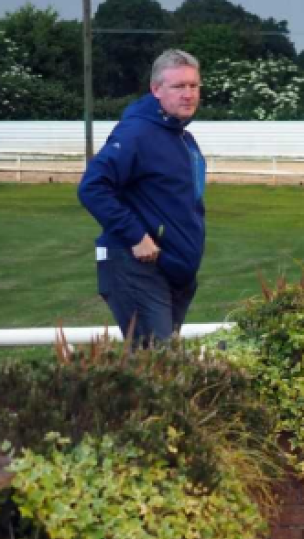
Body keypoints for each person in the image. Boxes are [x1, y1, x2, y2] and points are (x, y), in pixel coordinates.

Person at [78, 49, 206, 347]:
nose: (188, 94)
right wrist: (136, 236)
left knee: (161, 372)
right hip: (137, 266)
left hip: (174, 271)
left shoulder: (183, 139)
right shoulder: (137, 133)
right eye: (178, 86)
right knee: (157, 370)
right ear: (156, 90)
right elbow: (92, 187)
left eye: (193, 85)